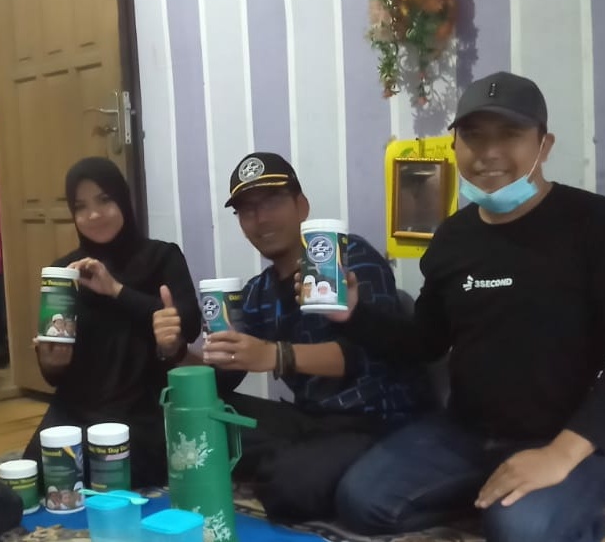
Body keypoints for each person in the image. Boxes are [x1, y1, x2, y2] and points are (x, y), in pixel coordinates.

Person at [320, 72, 605, 541]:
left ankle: (557, 516)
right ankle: (495, 500)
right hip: (464, 433)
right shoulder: (453, 236)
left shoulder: (599, 223)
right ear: (455, 146)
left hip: (569, 439)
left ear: (544, 145)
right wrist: (353, 316)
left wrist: (561, 453)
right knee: (360, 503)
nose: (489, 152)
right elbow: (425, 341)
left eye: (510, 134)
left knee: (520, 530)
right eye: (474, 136)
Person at [153, 152, 432, 523]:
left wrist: (274, 355)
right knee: (187, 426)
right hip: (309, 419)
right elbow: (222, 377)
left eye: (272, 202)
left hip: (378, 421)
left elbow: (364, 358)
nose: (261, 219)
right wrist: (175, 351)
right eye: (247, 210)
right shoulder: (258, 291)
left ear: (302, 206)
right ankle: (290, 458)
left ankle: (302, 464)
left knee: (287, 490)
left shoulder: (348, 258)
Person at [23, 157, 202, 487]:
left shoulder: (161, 257)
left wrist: (116, 290)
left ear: (122, 199)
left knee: (105, 474)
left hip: (141, 410)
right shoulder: (65, 272)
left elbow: (188, 325)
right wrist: (51, 363)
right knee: (38, 477)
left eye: (104, 200)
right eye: (81, 207)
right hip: (75, 409)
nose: (93, 215)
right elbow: (54, 375)